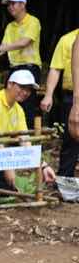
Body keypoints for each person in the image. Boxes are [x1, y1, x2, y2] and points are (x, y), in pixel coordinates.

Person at [0, 0, 42, 127]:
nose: (10, 7)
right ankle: (10, 135)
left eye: (13, 4)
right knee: (8, 100)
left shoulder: (33, 21)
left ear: (23, 5)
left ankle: (27, 138)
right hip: (14, 68)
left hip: (30, 68)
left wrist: (4, 48)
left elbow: (24, 42)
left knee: (27, 104)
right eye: (8, 5)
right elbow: (2, 48)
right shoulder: (10, 26)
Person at [40, 28, 79, 177]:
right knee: (71, 140)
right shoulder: (67, 39)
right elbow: (55, 69)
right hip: (72, 95)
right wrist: (48, 95)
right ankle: (65, 179)